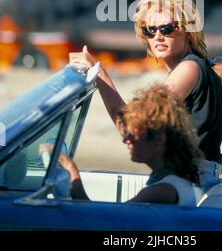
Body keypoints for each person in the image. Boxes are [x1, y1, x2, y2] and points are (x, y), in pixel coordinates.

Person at [69, 0, 222, 189]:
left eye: (167, 28)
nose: (158, 36)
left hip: (180, 182)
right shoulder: (206, 73)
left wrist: (99, 74)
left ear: (189, 32)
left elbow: (132, 128)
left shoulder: (189, 69)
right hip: (194, 184)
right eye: (149, 30)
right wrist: (213, 169)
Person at [40, 83, 204, 205]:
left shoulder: (161, 191)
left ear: (159, 140)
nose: (126, 140)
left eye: (133, 135)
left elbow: (99, 222)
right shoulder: (177, 181)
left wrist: (71, 169)